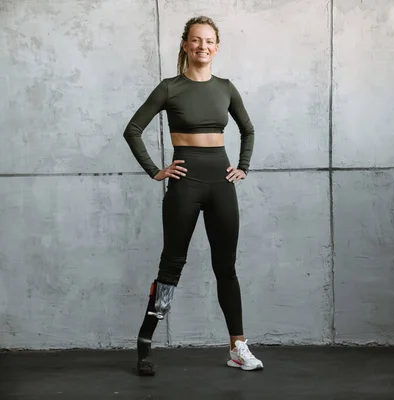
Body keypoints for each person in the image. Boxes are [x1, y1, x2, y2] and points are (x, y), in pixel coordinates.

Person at [123, 15, 263, 376]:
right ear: (186, 45)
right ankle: (145, 343)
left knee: (226, 268)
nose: (203, 46)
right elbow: (133, 130)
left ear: (217, 47)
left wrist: (242, 165)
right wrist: (157, 170)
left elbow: (248, 130)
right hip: (185, 185)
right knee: (171, 265)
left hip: (221, 183)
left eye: (209, 41)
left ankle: (238, 346)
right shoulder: (170, 88)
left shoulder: (226, 87)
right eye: (196, 40)